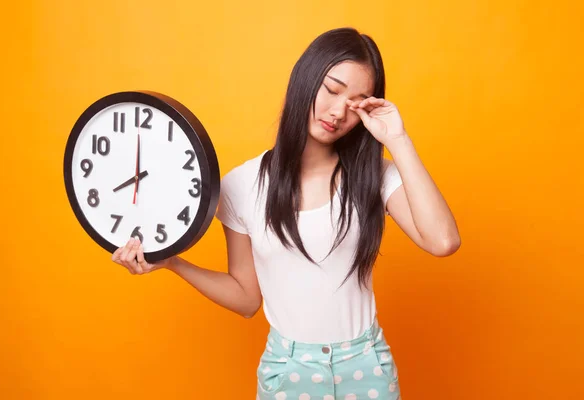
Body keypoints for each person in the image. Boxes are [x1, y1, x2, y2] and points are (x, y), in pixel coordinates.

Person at [112, 27, 460, 400]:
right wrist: (172, 263)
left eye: (357, 102)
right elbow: (247, 299)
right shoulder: (241, 185)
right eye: (332, 89)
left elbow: (443, 241)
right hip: (288, 371)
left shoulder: (372, 175)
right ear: (306, 79)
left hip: (366, 366)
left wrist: (397, 139)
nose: (339, 111)